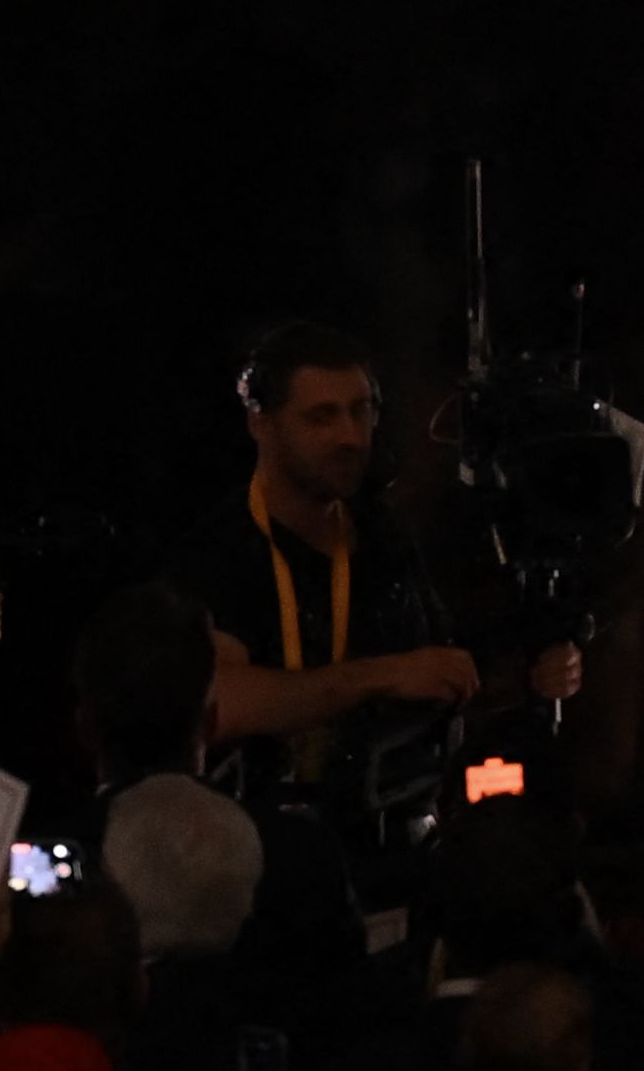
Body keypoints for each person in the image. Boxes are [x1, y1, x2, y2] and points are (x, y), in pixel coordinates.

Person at [181, 322, 571, 870]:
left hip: (395, 846)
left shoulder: (383, 535)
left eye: (361, 411)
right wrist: (383, 674)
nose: (350, 436)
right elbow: (220, 703)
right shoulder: (224, 549)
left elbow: (442, 676)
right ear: (260, 423)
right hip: (264, 860)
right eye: (322, 417)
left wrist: (528, 678)